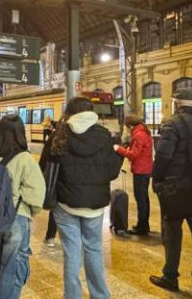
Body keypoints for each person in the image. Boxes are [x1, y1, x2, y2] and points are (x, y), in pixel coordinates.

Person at [49, 96, 123, 299]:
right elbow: (111, 174)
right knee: (93, 249)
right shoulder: (105, 135)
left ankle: (72, 295)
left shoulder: (60, 135)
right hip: (95, 205)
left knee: (71, 252)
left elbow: (47, 170)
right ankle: (100, 295)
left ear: (70, 112)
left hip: (66, 203)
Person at [0, 115, 45, 299]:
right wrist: (28, 211)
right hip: (16, 217)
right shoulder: (25, 159)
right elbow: (36, 195)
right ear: (20, 134)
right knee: (12, 262)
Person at [149, 88, 192, 292]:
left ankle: (170, 276)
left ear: (175, 102)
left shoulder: (171, 124)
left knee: (172, 231)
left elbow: (163, 156)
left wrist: (157, 180)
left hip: (175, 187)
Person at [114, 114, 154, 236]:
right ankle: (144, 225)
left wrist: (118, 149)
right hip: (146, 169)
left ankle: (142, 228)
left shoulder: (139, 135)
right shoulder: (143, 132)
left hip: (141, 171)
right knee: (144, 199)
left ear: (130, 126)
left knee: (141, 199)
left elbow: (133, 154)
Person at [38, 116, 59, 247]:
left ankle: (50, 237)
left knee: (56, 209)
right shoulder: (92, 137)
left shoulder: (56, 137)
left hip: (59, 180)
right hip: (84, 188)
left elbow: (44, 159)